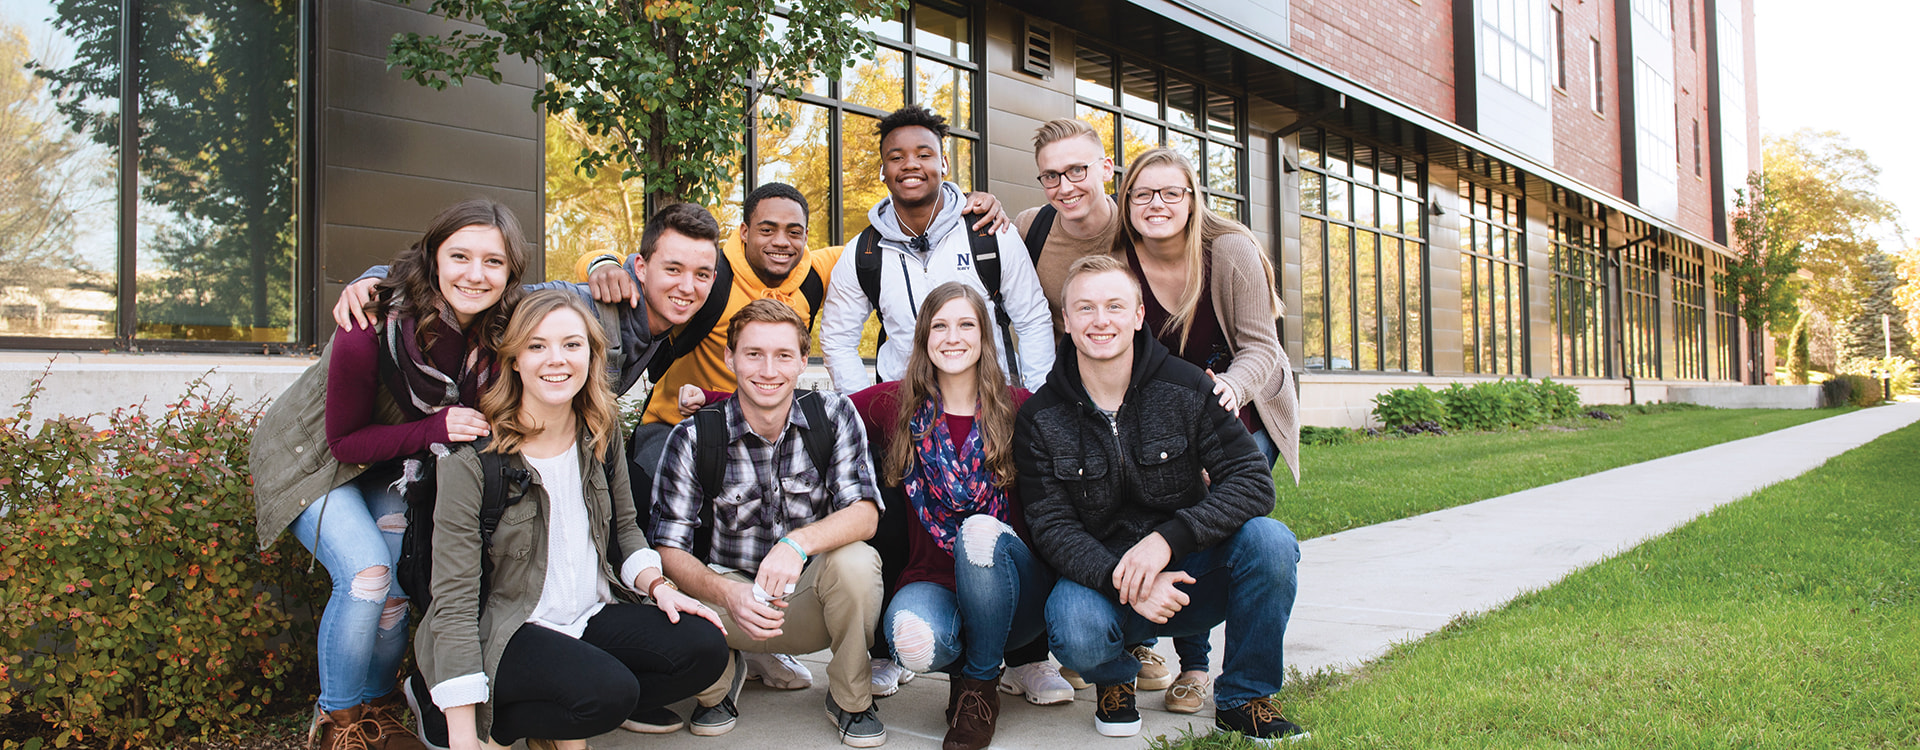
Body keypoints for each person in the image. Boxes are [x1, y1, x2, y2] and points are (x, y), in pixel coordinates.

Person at [251, 200, 529, 750]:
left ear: (512, 272)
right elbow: (345, 441)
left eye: (493, 262)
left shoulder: (498, 333)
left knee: (397, 589)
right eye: (460, 256)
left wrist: (604, 263)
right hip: (314, 459)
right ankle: (336, 722)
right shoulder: (371, 322)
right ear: (432, 258)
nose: (476, 274)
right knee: (366, 576)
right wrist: (438, 428)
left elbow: (575, 298)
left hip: (389, 465)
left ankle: (376, 710)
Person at [416, 290, 731, 750]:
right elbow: (455, 600)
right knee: (609, 694)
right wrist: (464, 738)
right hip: (509, 629)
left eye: (572, 344)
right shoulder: (473, 460)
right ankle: (473, 719)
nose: (556, 360)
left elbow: (625, 528)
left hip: (588, 615)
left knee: (704, 649)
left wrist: (661, 589)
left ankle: (562, 714)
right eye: (537, 345)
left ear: (592, 355)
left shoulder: (597, 434)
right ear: (515, 360)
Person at [1016, 255, 1306, 744]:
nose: (1100, 320)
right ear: (1066, 321)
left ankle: (1244, 698)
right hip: (1102, 583)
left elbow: (1252, 481)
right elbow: (1052, 528)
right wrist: (1127, 580)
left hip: (1191, 576)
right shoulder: (1041, 416)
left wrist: (1166, 542)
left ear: (1138, 316)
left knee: (1271, 543)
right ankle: (1115, 678)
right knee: (1074, 628)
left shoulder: (1188, 386)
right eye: (1084, 308)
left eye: (1114, 305)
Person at [651, 300, 891, 747]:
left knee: (857, 561)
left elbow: (865, 513)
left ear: (804, 360)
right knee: (668, 577)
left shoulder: (833, 416)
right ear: (730, 358)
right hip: (724, 606)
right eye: (753, 353)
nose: (768, 369)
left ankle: (850, 699)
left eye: (783, 355)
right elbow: (668, 547)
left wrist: (797, 544)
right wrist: (726, 592)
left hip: (807, 603)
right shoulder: (693, 437)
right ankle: (716, 686)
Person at [847, 282, 1072, 750]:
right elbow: (810, 412)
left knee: (979, 530)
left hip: (1014, 592)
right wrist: (709, 398)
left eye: (966, 324)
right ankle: (970, 668)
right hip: (933, 579)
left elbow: (1089, 436)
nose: (953, 336)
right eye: (940, 326)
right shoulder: (896, 406)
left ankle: (979, 689)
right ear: (924, 337)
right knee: (910, 640)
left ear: (985, 336)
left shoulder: (1020, 408)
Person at [819, 105, 1055, 393]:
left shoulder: (990, 232)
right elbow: (837, 339)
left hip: (993, 411)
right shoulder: (864, 253)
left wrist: (1036, 403)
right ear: (883, 170)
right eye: (896, 157)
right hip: (906, 419)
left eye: (923, 154)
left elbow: (1032, 319)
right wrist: (865, 410)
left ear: (943, 163)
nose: (910, 164)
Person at [1015, 118, 1124, 334]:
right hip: (1059, 365)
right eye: (1051, 176)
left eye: (1076, 170)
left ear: (1106, 169)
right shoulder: (1030, 228)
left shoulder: (1138, 223)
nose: (1065, 188)